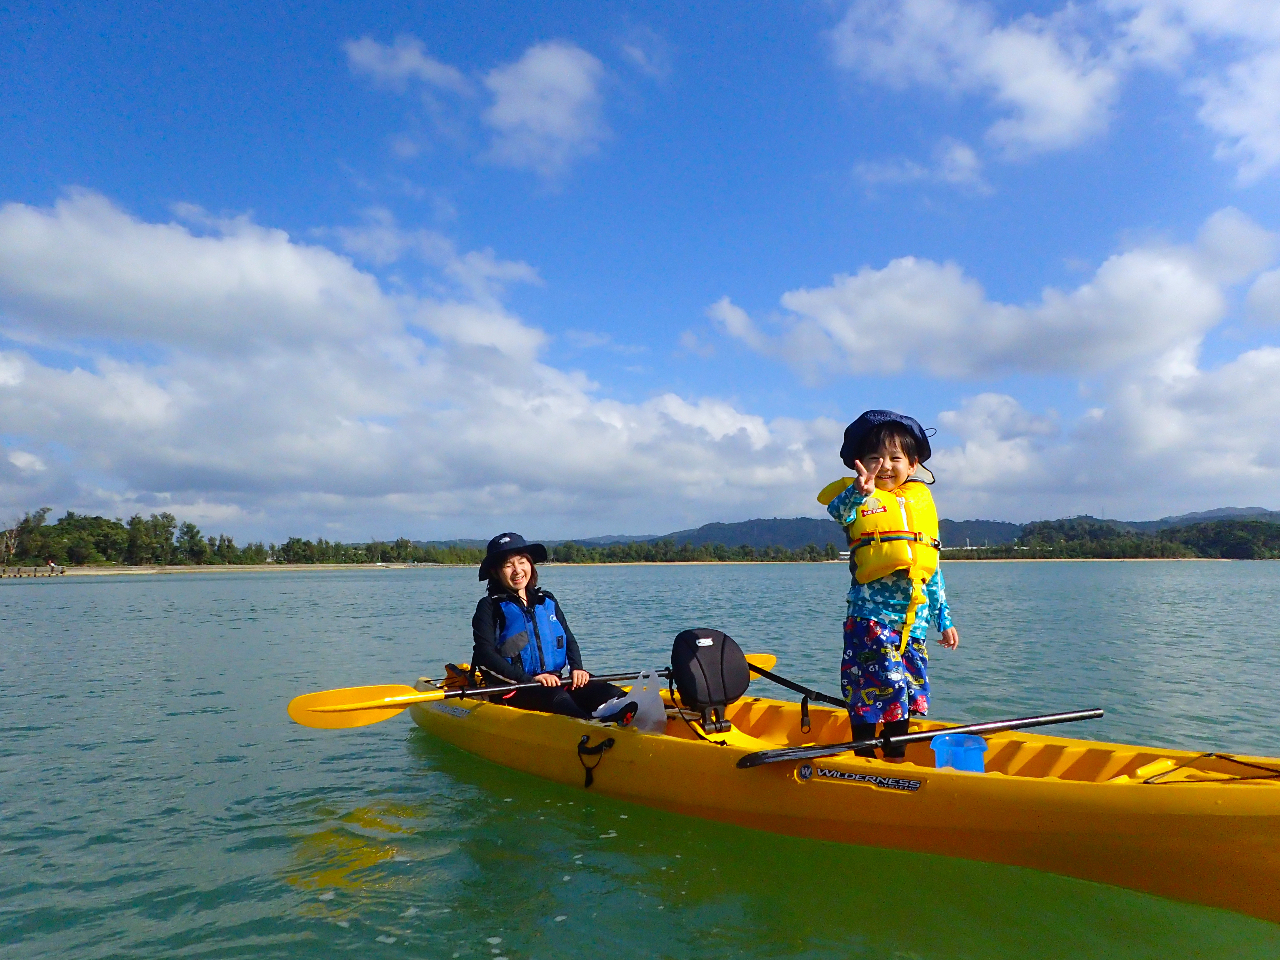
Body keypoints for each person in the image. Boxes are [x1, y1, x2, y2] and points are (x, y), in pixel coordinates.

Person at [818, 410, 960, 760]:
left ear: (912, 465)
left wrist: (945, 619)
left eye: (895, 457)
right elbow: (838, 512)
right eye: (874, 458)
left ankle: (895, 760)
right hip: (871, 619)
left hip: (914, 624)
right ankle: (863, 758)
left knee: (908, 692)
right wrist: (857, 492)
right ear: (859, 465)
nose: (884, 465)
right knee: (875, 688)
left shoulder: (920, 507)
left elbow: (933, 571)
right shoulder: (859, 498)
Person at [471, 532, 635, 722]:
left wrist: (577, 668)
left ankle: (628, 716)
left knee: (608, 692)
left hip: (557, 681)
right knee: (559, 699)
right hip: (516, 689)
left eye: (522, 562)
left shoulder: (546, 600)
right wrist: (530, 680)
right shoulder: (489, 607)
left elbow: (568, 637)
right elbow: (485, 656)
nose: (517, 570)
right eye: (508, 565)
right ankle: (593, 726)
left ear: (530, 564)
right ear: (495, 572)